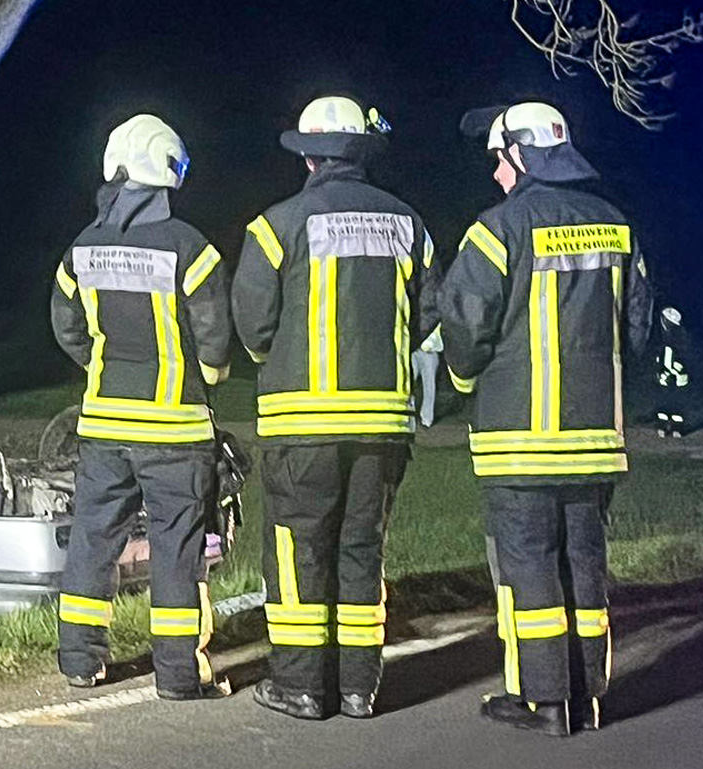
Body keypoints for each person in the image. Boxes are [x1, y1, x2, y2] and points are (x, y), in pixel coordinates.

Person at [433, 101, 653, 736]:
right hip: (596, 438)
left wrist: (461, 382)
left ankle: (543, 700)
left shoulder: (497, 228)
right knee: (585, 563)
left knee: (527, 565)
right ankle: (589, 696)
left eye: (498, 160)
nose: (496, 174)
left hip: (519, 440)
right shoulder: (617, 226)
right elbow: (635, 332)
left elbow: (466, 328)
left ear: (519, 155)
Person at [231, 96, 433, 720]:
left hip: (303, 423)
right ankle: (357, 686)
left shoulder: (276, 225)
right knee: (360, 548)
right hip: (384, 426)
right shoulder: (410, 225)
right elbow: (428, 315)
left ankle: (299, 685)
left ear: (309, 156)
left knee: (299, 550)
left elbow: (252, 323)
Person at [50, 113, 234, 701]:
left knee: (93, 541)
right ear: (168, 173)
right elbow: (213, 334)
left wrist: (99, 369)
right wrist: (208, 379)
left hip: (103, 425)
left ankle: (79, 660)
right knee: (177, 549)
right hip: (176, 431)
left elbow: (66, 325)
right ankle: (179, 674)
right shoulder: (191, 247)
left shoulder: (82, 248)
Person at [655, 306, 692, 437]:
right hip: (667, 377)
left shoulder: (676, 337)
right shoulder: (667, 336)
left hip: (675, 377)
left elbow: (679, 359)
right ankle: (664, 427)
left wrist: (669, 371)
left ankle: (676, 428)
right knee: (665, 403)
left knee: (676, 403)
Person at [413, 326, 444, 427]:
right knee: (409, 383)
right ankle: (413, 416)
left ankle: (427, 419)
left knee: (429, 386)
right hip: (414, 349)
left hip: (430, 350)